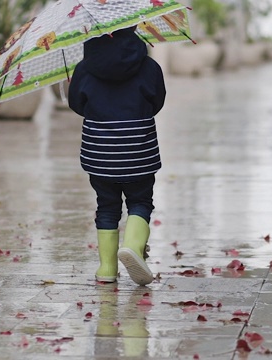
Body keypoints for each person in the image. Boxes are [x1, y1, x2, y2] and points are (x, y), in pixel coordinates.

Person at [68, 26, 166, 286]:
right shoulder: (149, 67)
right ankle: (133, 246)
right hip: (138, 151)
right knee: (140, 202)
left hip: (100, 154)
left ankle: (107, 268)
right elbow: (157, 102)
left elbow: (77, 105)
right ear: (133, 25)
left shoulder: (84, 68)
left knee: (107, 206)